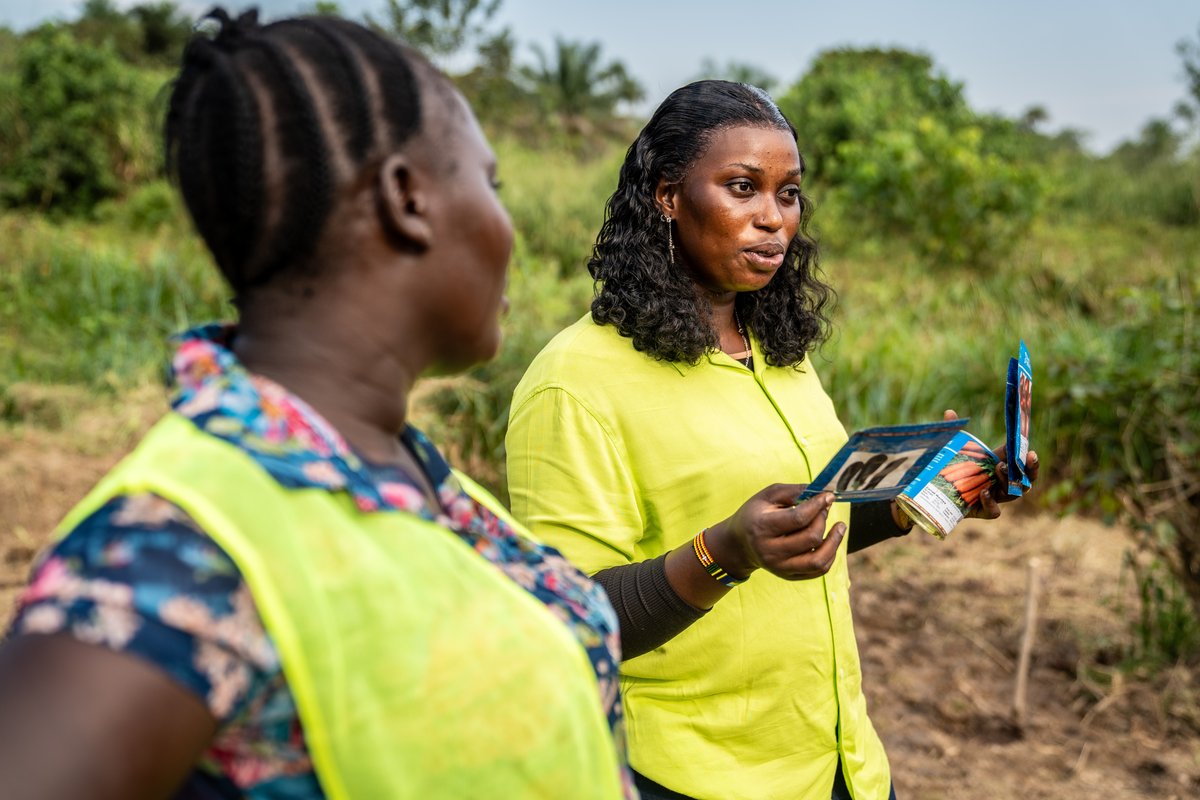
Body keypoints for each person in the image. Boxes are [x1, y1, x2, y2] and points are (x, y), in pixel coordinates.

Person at [0, 10, 634, 799]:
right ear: (408, 198)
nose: (510, 228)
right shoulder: (173, 552)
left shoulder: (410, 477)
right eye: (491, 182)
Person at [505, 80, 1040, 800]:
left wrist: (931, 485)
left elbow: (810, 520)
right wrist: (724, 552)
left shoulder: (776, 349)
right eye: (741, 188)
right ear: (667, 196)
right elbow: (570, 620)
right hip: (691, 776)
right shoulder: (574, 383)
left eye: (787, 194)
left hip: (838, 761)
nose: (772, 220)